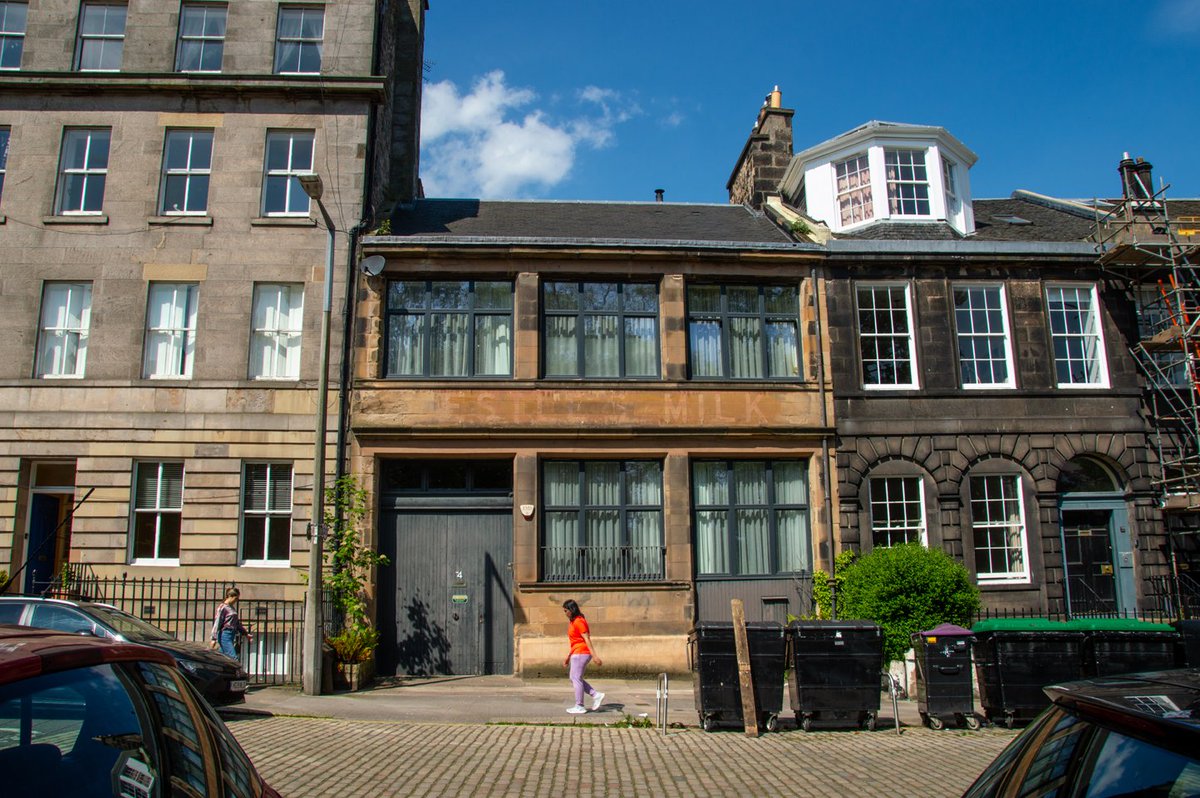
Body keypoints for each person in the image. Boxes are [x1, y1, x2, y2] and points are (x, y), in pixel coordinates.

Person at [562, 599, 604, 714]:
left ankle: (580, 705)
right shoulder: (574, 621)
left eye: (566, 611)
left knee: (576, 678)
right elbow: (575, 642)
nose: (565, 613)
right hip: (577, 652)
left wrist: (595, 656)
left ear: (571, 610)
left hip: (581, 653)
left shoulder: (579, 621)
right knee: (574, 678)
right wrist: (568, 657)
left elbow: (586, 639)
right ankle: (596, 695)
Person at [210, 587, 251, 659]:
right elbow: (217, 622)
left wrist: (245, 633)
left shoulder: (232, 608)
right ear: (230, 596)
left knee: (223, 658)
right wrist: (213, 638)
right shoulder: (223, 607)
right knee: (233, 658)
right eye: (236, 598)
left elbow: (237, 623)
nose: (236, 601)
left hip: (231, 634)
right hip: (225, 635)